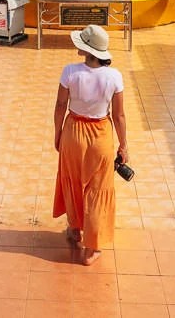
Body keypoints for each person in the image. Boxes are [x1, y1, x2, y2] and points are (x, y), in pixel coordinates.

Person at [52, 24, 127, 266]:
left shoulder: (70, 72)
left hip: (73, 131)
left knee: (72, 181)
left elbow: (60, 107)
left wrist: (58, 133)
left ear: (87, 50)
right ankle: (92, 248)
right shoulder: (114, 76)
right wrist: (123, 145)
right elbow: (119, 116)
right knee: (97, 188)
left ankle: (74, 229)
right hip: (101, 134)